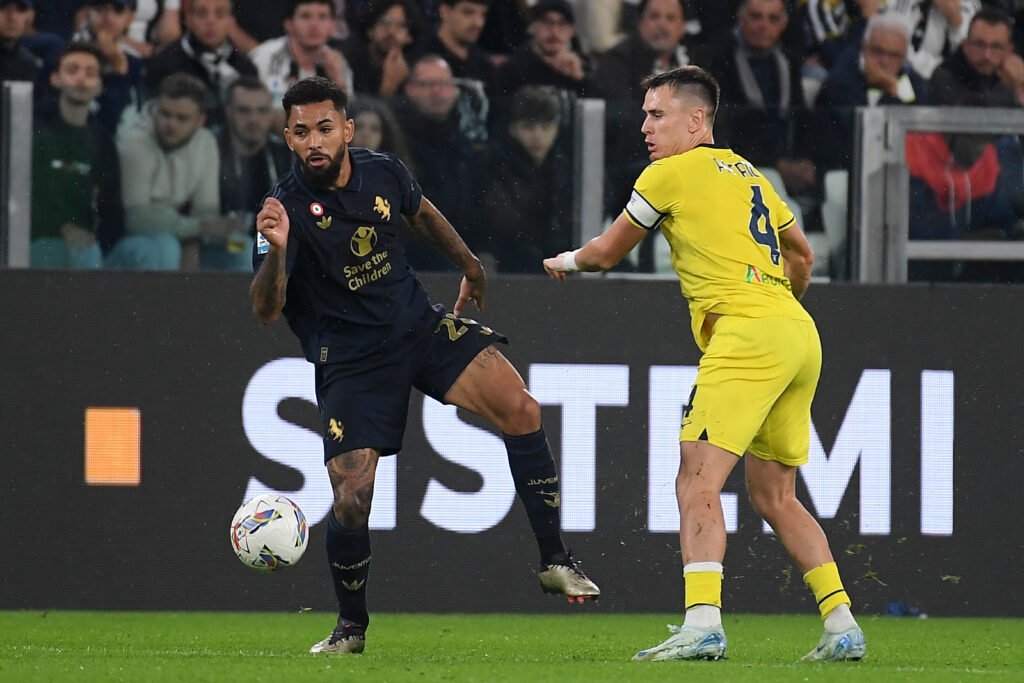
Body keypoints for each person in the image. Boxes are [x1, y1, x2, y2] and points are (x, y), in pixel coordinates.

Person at [249, 76, 600, 655]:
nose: (315, 140)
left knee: (522, 408)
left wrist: (470, 264)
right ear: (287, 137)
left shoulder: (382, 171)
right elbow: (266, 310)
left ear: (347, 130)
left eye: (325, 128)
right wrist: (280, 251)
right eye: (302, 131)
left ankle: (554, 560)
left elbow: (421, 212)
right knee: (352, 499)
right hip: (351, 361)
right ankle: (350, 629)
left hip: (417, 327)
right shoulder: (279, 210)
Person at [543, 65, 865, 663]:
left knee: (696, 480)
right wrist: (778, 306)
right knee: (775, 495)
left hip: (747, 335)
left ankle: (703, 623)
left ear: (696, 121)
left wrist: (566, 260)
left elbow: (610, 251)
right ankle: (841, 622)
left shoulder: (668, 173)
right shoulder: (750, 174)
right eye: (643, 114)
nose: (645, 126)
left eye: (657, 115)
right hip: (798, 334)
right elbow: (802, 252)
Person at [113, 72, 246, 270]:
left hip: (184, 235)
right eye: (165, 114)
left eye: (181, 118)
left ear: (200, 120)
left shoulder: (206, 142)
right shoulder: (135, 143)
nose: (171, 124)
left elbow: (206, 209)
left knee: (243, 247)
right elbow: (136, 219)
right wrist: (197, 230)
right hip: (134, 242)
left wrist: (194, 241)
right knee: (166, 247)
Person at [31, 42, 123, 268]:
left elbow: (112, 209)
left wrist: (99, 241)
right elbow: (31, 200)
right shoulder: (35, 133)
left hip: (90, 246)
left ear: (100, 85)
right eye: (72, 71)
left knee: (147, 250)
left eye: (90, 73)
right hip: (40, 242)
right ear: (56, 79)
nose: (81, 78)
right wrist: (65, 228)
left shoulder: (104, 143)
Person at [248, 0, 353, 132]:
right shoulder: (264, 57)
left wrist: (338, 80)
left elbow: (348, 117)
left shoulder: (338, 63)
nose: (314, 25)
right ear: (289, 24)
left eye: (322, 17)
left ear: (332, 26)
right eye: (305, 16)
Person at [929, 6, 1024, 108]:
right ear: (965, 45)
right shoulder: (945, 75)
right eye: (979, 44)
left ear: (1008, 50)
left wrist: (1020, 87)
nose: (986, 55)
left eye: (996, 47)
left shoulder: (1013, 76)